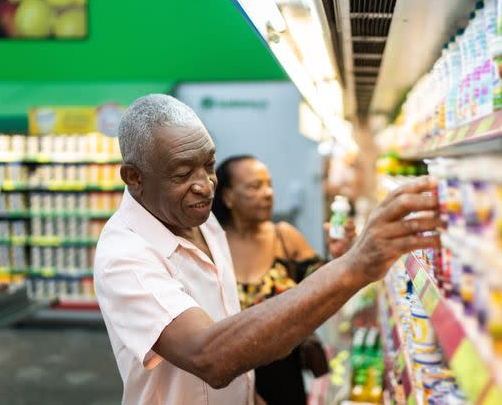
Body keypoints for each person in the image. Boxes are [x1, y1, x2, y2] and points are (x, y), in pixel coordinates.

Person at [94, 94, 441, 405]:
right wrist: (355, 265)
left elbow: (229, 342)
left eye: (209, 165)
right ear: (134, 177)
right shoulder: (126, 256)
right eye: (183, 173)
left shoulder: (203, 222)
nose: (204, 185)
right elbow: (209, 357)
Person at [212, 155, 355, 405]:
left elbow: (322, 289)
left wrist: (339, 256)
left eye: (269, 184)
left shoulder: (285, 238)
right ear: (228, 196)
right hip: (228, 382)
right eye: (255, 186)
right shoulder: (211, 247)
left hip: (286, 378)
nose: (268, 193)